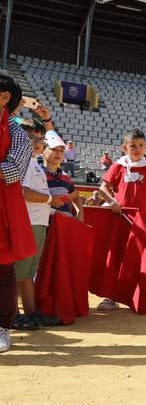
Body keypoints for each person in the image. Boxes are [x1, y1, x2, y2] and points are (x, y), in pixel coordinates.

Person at [96, 128, 146, 311]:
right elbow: (102, 188)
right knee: (115, 256)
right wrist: (112, 202)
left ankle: (137, 296)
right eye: (133, 146)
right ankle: (110, 296)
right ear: (124, 147)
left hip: (139, 222)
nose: (137, 149)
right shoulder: (117, 166)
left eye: (141, 145)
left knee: (139, 258)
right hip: (119, 219)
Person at [13, 119, 60, 330]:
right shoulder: (23, 162)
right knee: (18, 271)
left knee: (28, 271)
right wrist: (50, 200)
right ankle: (12, 314)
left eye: (40, 138)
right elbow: (22, 192)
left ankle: (30, 313)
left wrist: (52, 207)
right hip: (27, 222)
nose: (38, 142)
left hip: (36, 222)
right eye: (32, 137)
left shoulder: (34, 163)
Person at [0, 74, 35, 352]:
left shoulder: (17, 132)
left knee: (2, 268)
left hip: (2, 207)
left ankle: (2, 327)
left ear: (4, 98)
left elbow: (13, 172)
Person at [42, 131, 83, 222]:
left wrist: (80, 213)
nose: (58, 153)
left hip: (64, 224)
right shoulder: (38, 173)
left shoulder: (66, 177)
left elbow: (75, 196)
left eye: (61, 150)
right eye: (54, 149)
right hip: (45, 223)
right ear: (42, 151)